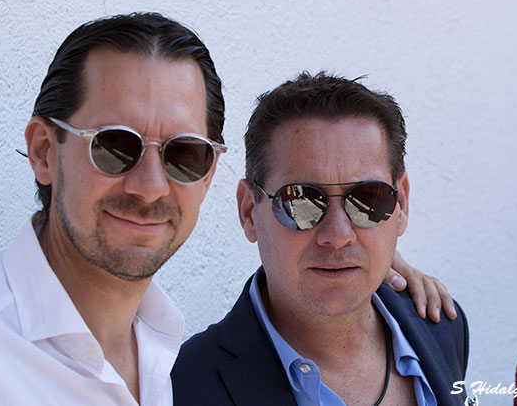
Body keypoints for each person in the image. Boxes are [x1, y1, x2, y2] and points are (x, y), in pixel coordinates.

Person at [0, 13, 454, 405]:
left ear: (208, 174)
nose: (150, 187)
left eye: (184, 154)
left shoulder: (160, 354)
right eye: (114, 146)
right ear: (44, 152)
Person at [172, 72, 469, 406]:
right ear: (248, 211)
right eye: (301, 201)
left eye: (367, 199)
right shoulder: (184, 387)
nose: (338, 236)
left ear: (401, 204)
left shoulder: (441, 327)